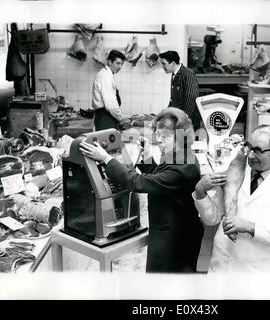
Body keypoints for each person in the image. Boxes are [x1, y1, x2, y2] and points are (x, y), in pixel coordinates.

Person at [79, 108, 204, 273]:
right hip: (172, 228)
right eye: (157, 135)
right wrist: (146, 157)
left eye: (165, 136)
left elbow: (139, 182)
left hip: (176, 238)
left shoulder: (183, 165)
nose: (159, 140)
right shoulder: (180, 154)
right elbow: (160, 179)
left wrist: (106, 159)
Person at [193, 125, 270, 274]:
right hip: (220, 268)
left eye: (258, 150)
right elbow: (212, 219)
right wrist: (201, 191)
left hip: (255, 276)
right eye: (249, 147)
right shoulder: (234, 172)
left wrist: (249, 226)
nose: (251, 155)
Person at [159, 50, 202, 131]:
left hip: (188, 121)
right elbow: (175, 100)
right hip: (179, 118)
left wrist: (183, 120)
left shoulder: (188, 74)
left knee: (184, 143)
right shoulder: (175, 73)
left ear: (173, 63)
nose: (162, 66)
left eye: (164, 63)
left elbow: (191, 99)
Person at [92, 49, 126, 131]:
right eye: (118, 63)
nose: (120, 67)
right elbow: (110, 104)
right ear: (110, 62)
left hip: (108, 117)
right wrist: (121, 119)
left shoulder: (108, 75)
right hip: (105, 118)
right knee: (107, 143)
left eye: (122, 64)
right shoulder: (105, 76)